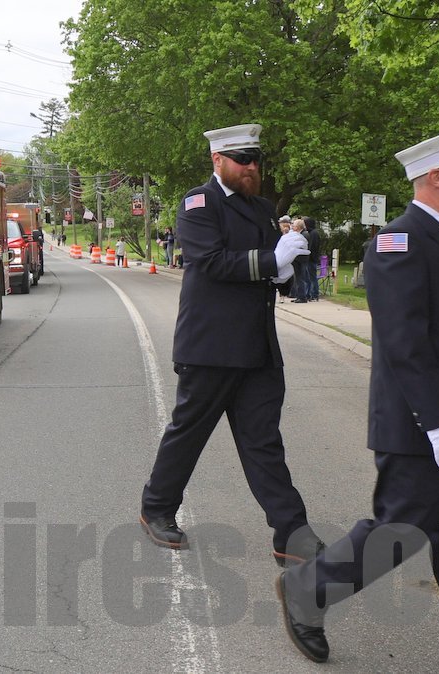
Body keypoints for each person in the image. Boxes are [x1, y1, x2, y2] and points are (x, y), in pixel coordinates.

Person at [277, 126, 439, 672]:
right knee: (397, 531)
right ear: (437, 177)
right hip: (424, 429)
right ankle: (308, 588)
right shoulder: (399, 241)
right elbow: (403, 342)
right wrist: (438, 422)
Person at [139, 123, 323, 567]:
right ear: (217, 160)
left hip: (257, 348)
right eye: (242, 160)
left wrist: (284, 270)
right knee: (189, 434)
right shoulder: (198, 204)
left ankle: (291, 531)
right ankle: (156, 508)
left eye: (256, 159)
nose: (252, 167)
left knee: (264, 442)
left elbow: (270, 271)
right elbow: (211, 262)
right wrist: (274, 259)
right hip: (211, 347)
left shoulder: (262, 208)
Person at [290, 218, 310, 303]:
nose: (292, 227)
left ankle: (302, 296)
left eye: (294, 226)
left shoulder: (304, 235)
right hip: (298, 259)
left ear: (298, 227)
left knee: (300, 278)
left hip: (301, 259)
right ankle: (299, 295)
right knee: (298, 278)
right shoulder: (300, 234)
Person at [304, 217, 322, 301]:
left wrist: (308, 255)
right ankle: (309, 293)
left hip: (311, 259)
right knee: (309, 277)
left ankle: (314, 294)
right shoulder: (311, 233)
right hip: (311, 258)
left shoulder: (314, 234)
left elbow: (312, 247)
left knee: (312, 277)